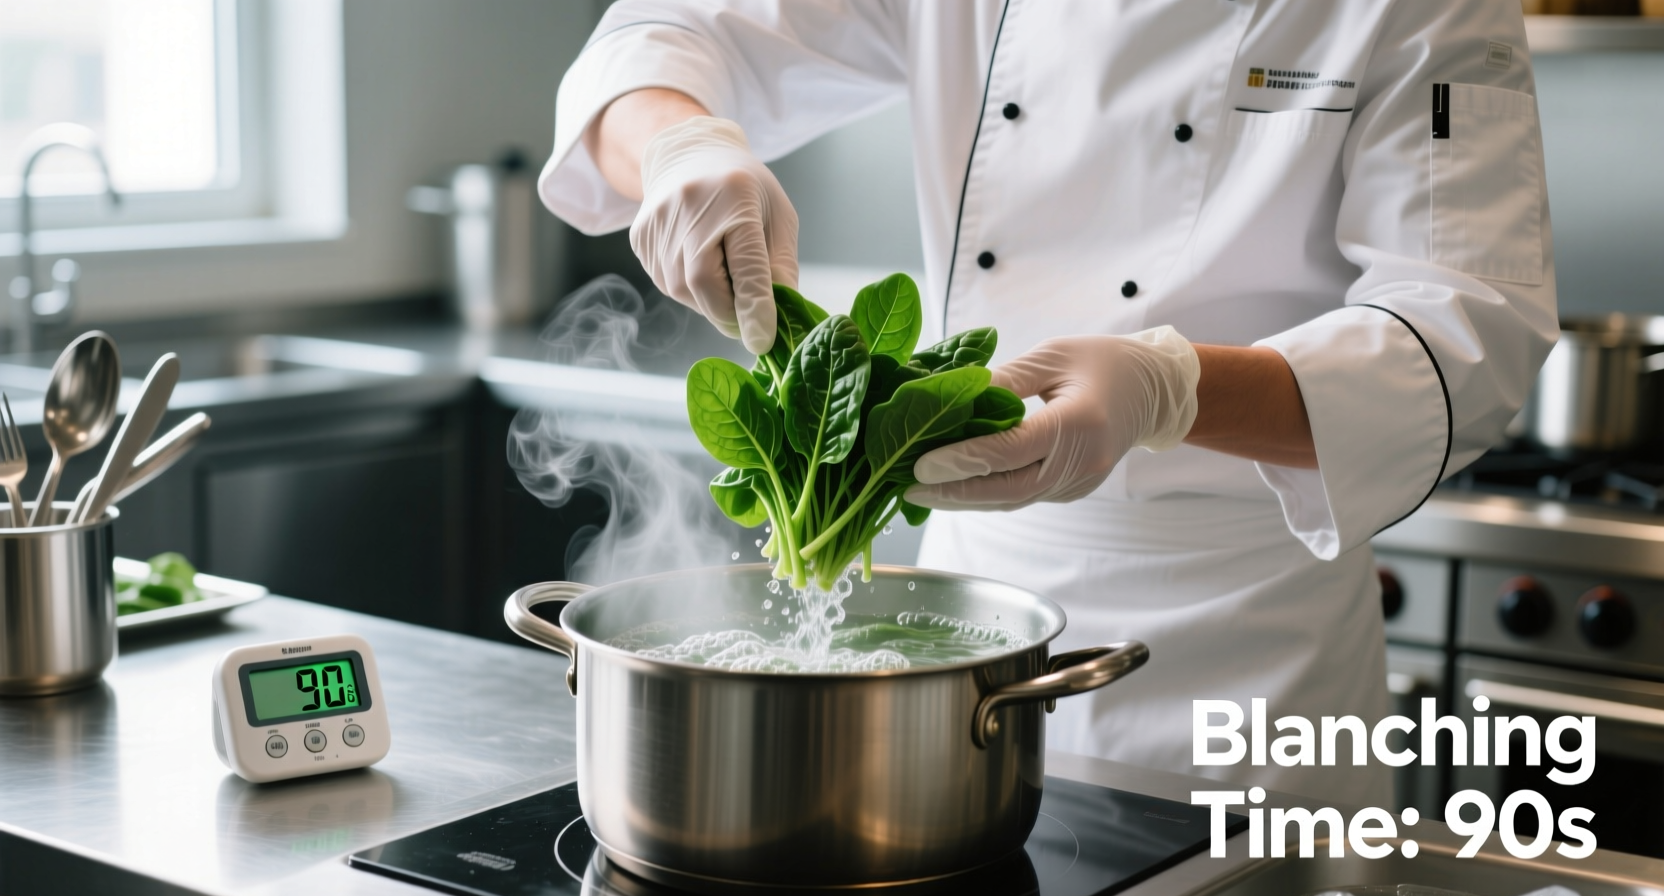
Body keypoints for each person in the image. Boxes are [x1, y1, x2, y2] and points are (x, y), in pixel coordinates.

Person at [538, 1, 1556, 807]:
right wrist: (683, 146)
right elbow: (651, 42)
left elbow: (1468, 330)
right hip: (969, 630)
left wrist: (1168, 390)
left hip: (1252, 650)